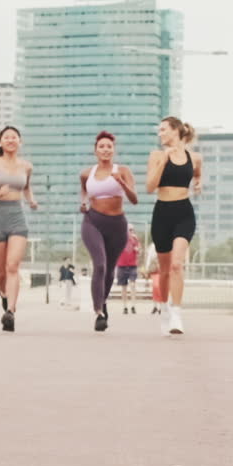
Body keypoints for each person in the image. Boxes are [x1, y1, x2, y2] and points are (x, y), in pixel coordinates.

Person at [0, 125, 38, 331]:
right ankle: (4, 294)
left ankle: (10, 311)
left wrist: (31, 201)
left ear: (20, 142)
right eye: (7, 137)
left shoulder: (26, 166)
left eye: (14, 137)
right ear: (1, 143)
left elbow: (27, 186)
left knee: (13, 266)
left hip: (17, 218)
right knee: (2, 271)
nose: (11, 140)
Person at [146, 117, 201, 336]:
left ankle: (176, 312)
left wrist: (199, 182)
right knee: (165, 270)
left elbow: (197, 172)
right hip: (162, 213)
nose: (160, 134)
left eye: (163, 130)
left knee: (177, 264)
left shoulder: (194, 157)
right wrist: (164, 161)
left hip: (184, 213)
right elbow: (150, 187)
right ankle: (165, 310)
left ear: (176, 131)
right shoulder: (156, 155)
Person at [80, 131, 138, 332]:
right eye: (101, 146)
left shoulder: (122, 170)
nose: (105, 150)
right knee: (100, 265)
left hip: (117, 225)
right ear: (95, 150)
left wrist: (121, 182)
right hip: (93, 221)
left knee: (110, 270)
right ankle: (98, 312)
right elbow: (84, 190)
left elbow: (134, 199)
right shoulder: (87, 173)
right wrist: (83, 202)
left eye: (109, 147)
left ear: (113, 150)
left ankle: (102, 303)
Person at [116, 224, 141, 314]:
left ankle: (133, 305)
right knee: (124, 287)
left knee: (133, 285)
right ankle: (125, 306)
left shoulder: (135, 239)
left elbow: (139, 251)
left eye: (132, 230)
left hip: (132, 265)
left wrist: (137, 249)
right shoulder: (120, 239)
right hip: (122, 265)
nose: (131, 232)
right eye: (129, 230)